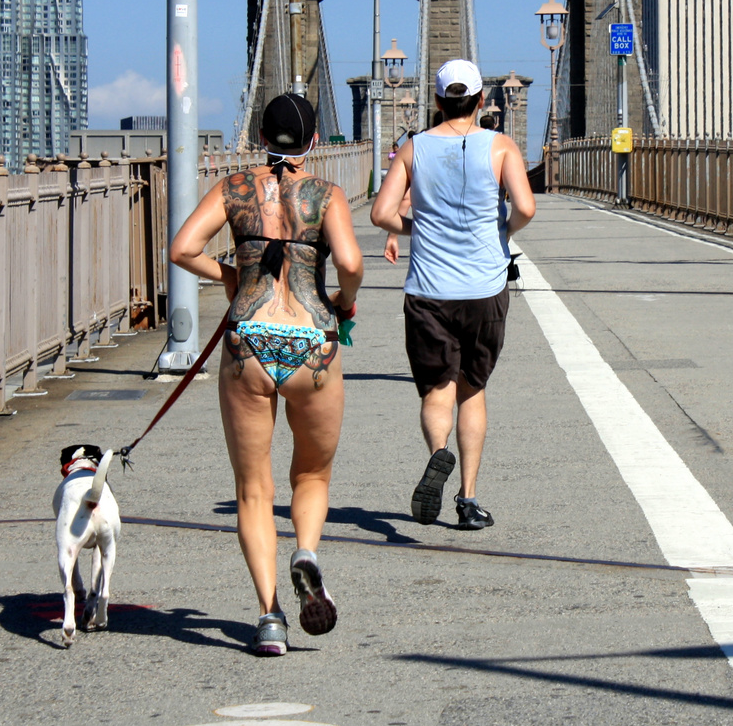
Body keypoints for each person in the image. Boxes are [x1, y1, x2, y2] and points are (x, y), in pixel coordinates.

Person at [168, 93, 364, 656]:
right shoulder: (325, 194)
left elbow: (182, 248)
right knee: (312, 475)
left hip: (247, 341)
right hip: (312, 345)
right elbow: (350, 263)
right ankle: (306, 551)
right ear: (314, 142)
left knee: (254, 489)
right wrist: (341, 303)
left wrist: (230, 275)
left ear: (260, 136)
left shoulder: (234, 188)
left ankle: (270, 617)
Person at [371, 60, 536, 530]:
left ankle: (438, 454)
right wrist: (503, 229)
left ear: (438, 101)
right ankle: (467, 501)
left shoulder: (413, 148)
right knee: (473, 389)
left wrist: (414, 226)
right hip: (485, 288)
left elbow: (382, 214)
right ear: (482, 101)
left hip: (429, 290)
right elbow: (525, 206)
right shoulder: (501, 145)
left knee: (437, 389)